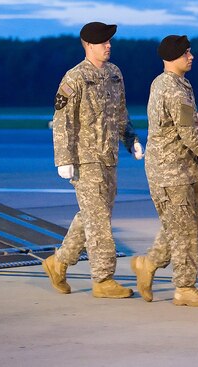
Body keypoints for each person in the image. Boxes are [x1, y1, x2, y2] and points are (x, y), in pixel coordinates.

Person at [129, 35, 198, 307]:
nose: (192, 57)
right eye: (186, 53)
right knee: (186, 230)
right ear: (173, 57)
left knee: (187, 225)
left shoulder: (171, 82)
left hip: (180, 168)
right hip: (171, 171)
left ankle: (149, 262)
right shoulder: (174, 89)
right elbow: (189, 132)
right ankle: (185, 287)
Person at [43, 21, 142, 298]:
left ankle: (59, 262)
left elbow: (121, 113)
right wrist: (63, 159)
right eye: (102, 42)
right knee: (98, 220)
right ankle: (103, 279)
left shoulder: (114, 74)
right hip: (84, 159)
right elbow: (62, 120)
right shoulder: (74, 78)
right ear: (88, 45)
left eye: (109, 42)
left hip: (108, 157)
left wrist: (130, 139)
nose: (108, 46)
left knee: (93, 216)